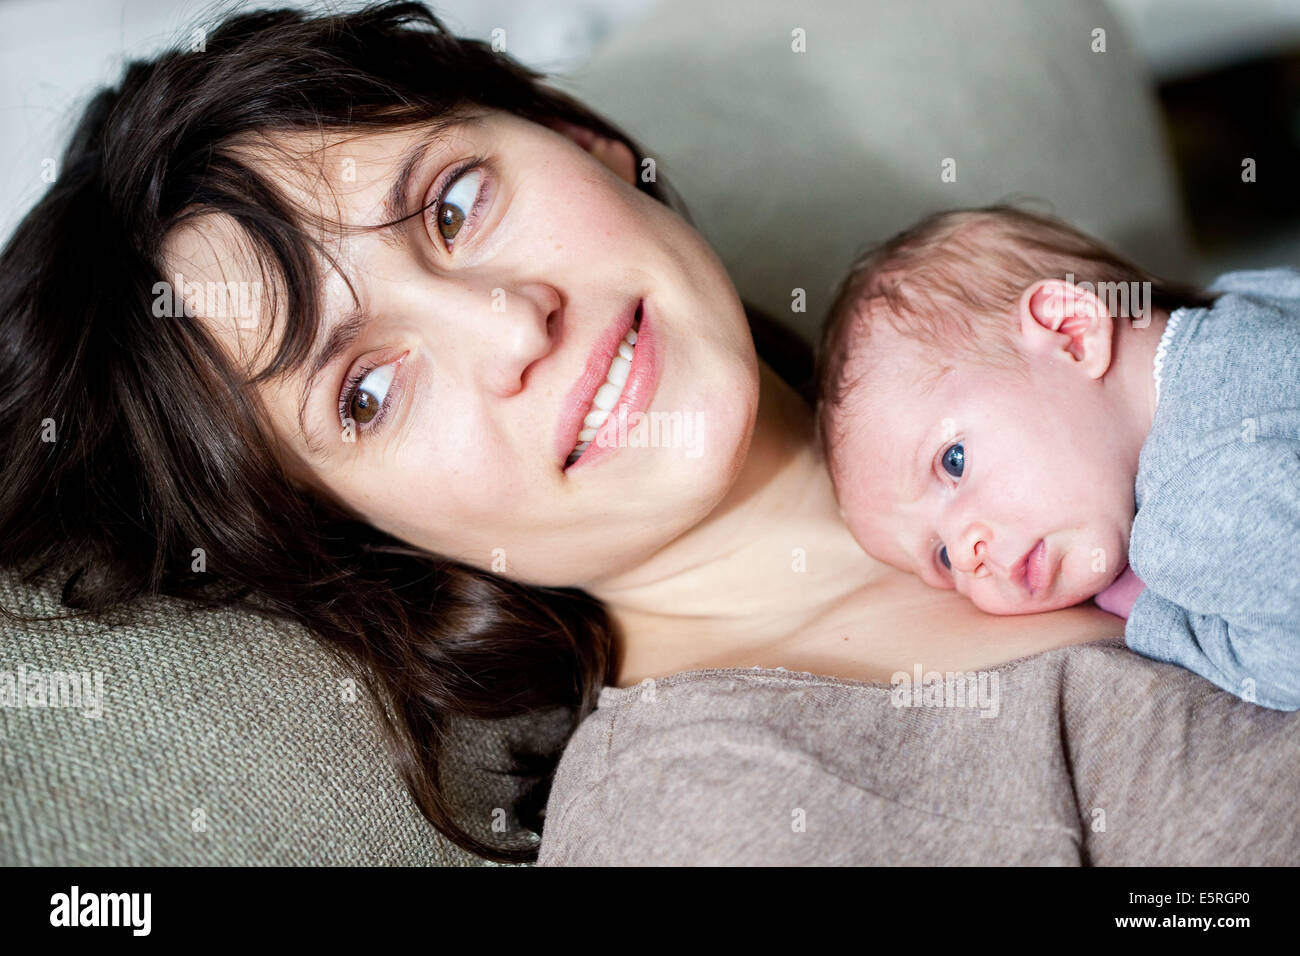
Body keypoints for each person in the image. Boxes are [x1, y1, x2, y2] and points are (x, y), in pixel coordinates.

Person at [0, 3, 1117, 864]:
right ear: (360, 533)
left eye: (452, 204)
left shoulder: (1057, 341)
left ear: (580, 139)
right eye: (365, 394)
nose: (508, 323)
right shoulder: (700, 816)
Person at [815, 205, 1300, 711]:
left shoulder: (1189, 517)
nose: (965, 554)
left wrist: (1146, 608)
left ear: (1072, 333)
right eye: (939, 558)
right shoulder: (1250, 295)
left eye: (953, 462)